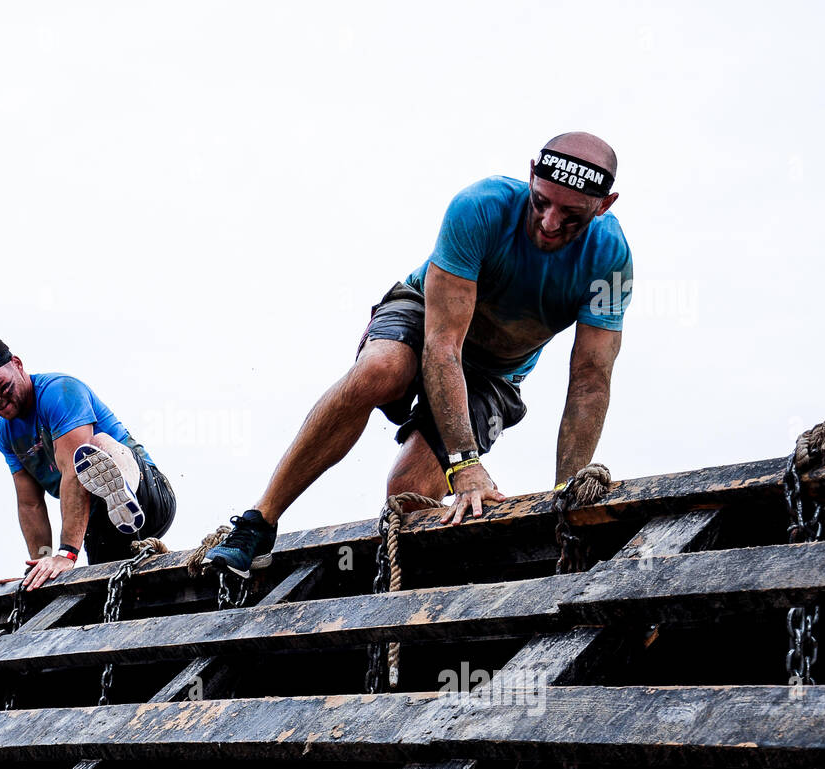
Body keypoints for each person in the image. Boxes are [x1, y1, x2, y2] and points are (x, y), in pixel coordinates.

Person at [205, 131, 631, 576]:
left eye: (571, 216)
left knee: (408, 491)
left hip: (495, 371)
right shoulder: (479, 208)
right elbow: (442, 346)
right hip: (427, 316)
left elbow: (589, 378)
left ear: (604, 205)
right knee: (382, 370)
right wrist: (464, 464)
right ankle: (258, 522)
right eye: (541, 202)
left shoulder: (611, 260)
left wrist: (567, 500)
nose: (548, 223)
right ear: (529, 177)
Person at [0, 334, 176, 590]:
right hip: (97, 525)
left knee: (93, 448)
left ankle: (122, 491)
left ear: (17, 364)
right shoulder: (4, 431)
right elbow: (30, 504)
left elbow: (73, 472)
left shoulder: (59, 391)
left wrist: (67, 553)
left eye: (0, 386)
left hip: (150, 496)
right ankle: (111, 514)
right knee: (108, 592)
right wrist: (41, 565)